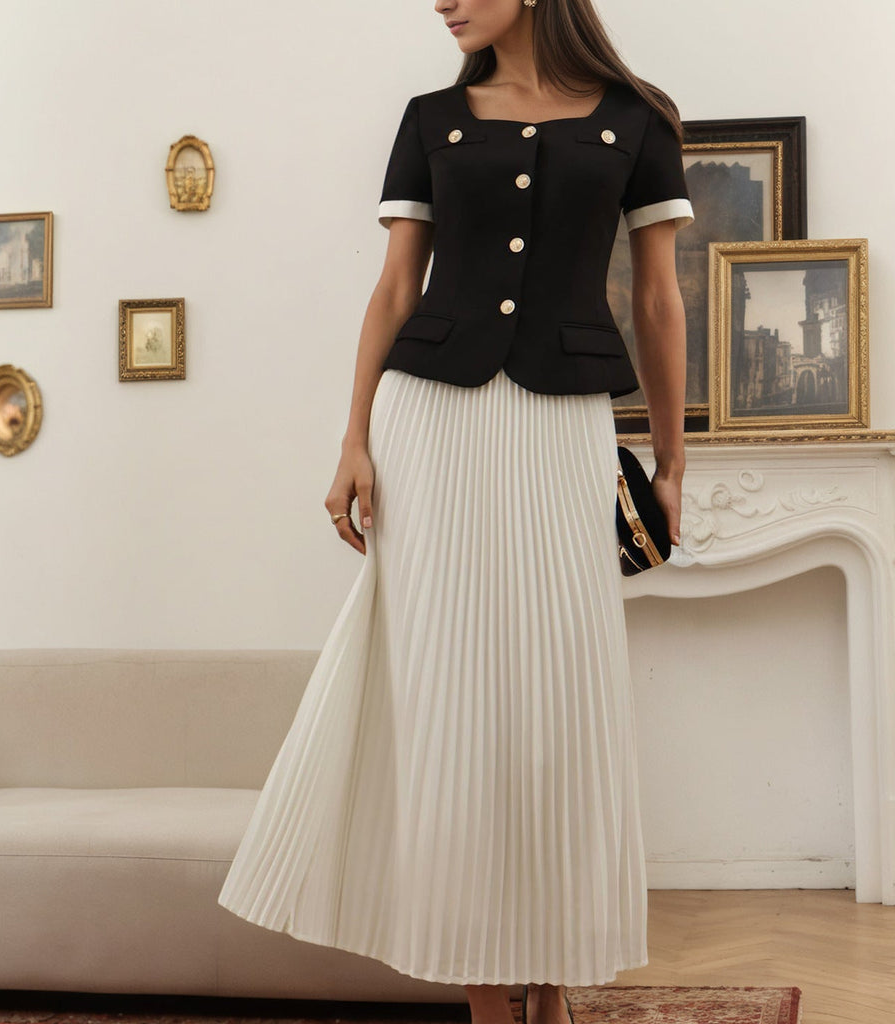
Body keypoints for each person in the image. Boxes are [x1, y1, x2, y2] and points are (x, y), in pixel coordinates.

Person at [217, 3, 693, 1024]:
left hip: (564, 423)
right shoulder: (430, 118)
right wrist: (353, 438)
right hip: (427, 424)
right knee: (446, 695)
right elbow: (396, 288)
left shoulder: (640, 120)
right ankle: (484, 992)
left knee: (562, 698)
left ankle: (551, 982)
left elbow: (659, 300)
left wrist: (671, 460)